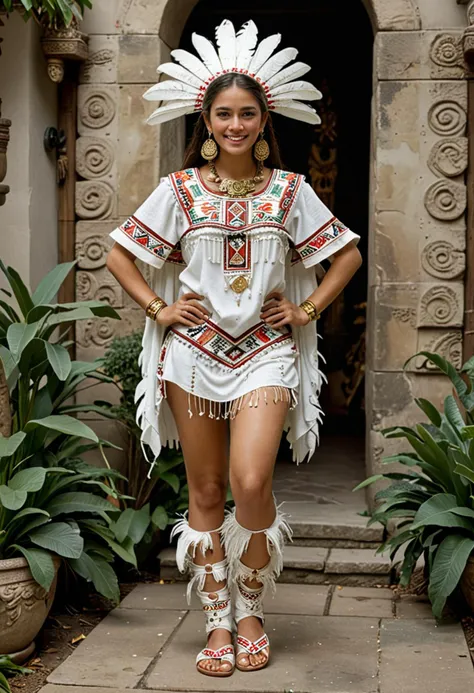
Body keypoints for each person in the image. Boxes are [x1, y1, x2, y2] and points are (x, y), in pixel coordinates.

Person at [106, 19, 362, 678]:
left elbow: (347, 256)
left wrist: (306, 308)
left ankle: (252, 606)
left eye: (247, 113)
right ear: (207, 118)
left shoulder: (292, 191)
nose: (236, 124)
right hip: (192, 353)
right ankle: (220, 622)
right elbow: (119, 253)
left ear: (264, 116)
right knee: (208, 487)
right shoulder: (180, 190)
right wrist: (160, 307)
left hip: (266, 354)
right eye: (224, 114)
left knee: (251, 481)